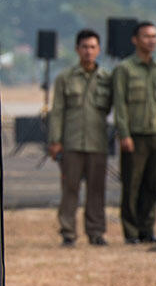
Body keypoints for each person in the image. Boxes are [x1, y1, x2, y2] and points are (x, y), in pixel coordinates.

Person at [47, 29, 112, 247]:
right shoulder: (64, 78)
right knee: (70, 190)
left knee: (97, 190)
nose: (88, 51)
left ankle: (96, 232)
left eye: (93, 47)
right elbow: (57, 111)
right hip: (71, 143)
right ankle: (68, 232)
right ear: (77, 49)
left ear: (99, 49)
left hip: (98, 143)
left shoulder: (107, 79)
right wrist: (55, 140)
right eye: (84, 47)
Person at [113, 21, 156, 244]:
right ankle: (131, 232)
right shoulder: (124, 69)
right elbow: (120, 104)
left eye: (155, 36)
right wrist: (125, 134)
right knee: (132, 185)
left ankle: (147, 229)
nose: (152, 40)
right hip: (135, 136)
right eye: (147, 36)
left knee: (153, 184)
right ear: (135, 40)